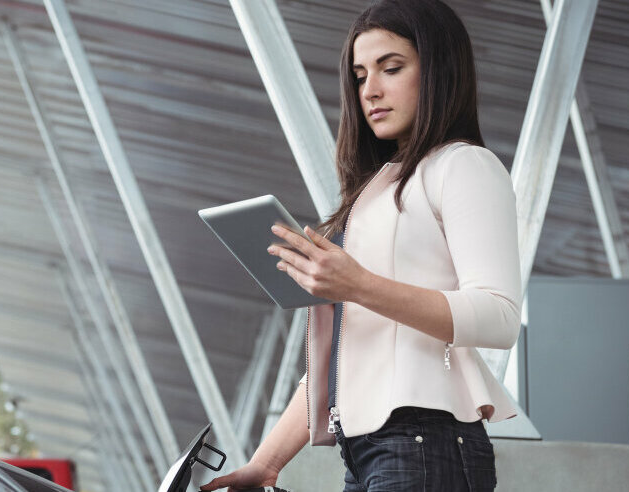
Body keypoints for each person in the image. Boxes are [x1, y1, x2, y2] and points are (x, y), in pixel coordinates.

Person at [201, 1, 521, 491]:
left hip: (425, 441)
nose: (370, 89)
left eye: (391, 68)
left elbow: (499, 316)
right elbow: (344, 359)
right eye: (359, 74)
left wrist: (360, 285)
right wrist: (266, 462)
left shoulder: (464, 166)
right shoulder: (374, 192)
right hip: (372, 451)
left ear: (438, 71)